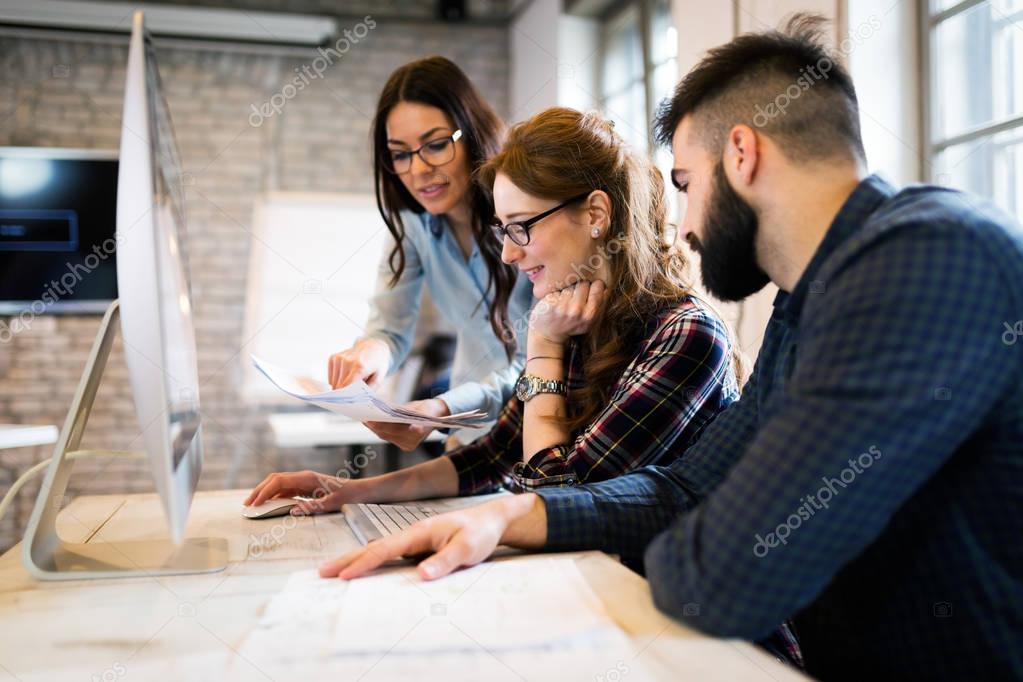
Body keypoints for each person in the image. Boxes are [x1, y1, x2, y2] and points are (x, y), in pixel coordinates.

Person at [322, 16, 1023, 682]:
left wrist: (544, 503)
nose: (682, 223)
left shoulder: (925, 254)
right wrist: (512, 512)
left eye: (686, 185)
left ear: (741, 154)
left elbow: (726, 573)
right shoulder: (805, 299)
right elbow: (687, 484)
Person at [246, 108, 740, 517]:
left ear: (595, 214)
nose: (507, 253)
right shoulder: (575, 324)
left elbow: (555, 499)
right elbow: (490, 458)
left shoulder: (686, 336)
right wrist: (349, 490)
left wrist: (544, 349)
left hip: (688, 624)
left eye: (521, 226)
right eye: (502, 230)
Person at [328, 56, 533, 449]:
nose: (418, 169)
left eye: (436, 145)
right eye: (400, 154)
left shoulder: (522, 216)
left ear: (471, 132)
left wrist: (442, 408)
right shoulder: (413, 225)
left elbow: (537, 363)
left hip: (542, 428)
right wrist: (370, 354)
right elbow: (390, 328)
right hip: (470, 434)